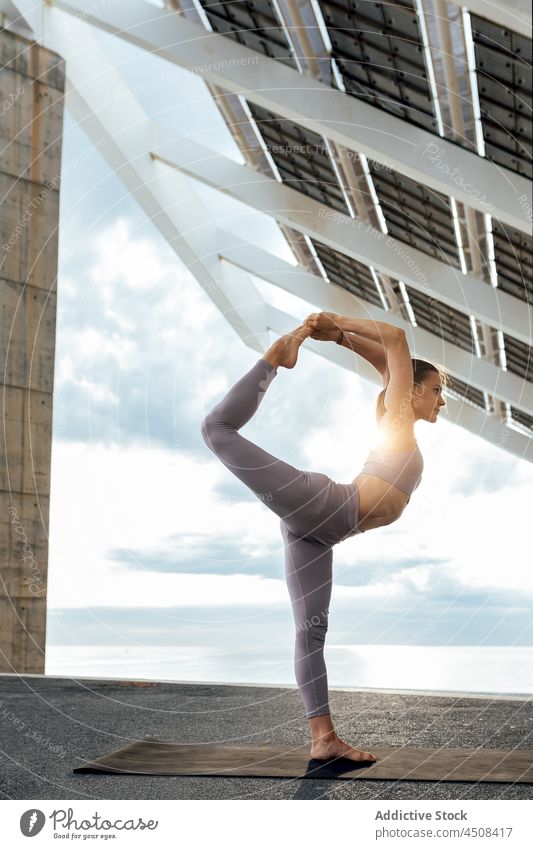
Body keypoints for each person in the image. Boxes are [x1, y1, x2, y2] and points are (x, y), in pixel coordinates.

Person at [200, 311, 450, 763]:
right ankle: (272, 361)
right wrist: (336, 322)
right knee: (216, 430)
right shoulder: (395, 418)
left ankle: (323, 738)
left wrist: (338, 338)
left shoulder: (395, 415)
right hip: (324, 507)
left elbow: (387, 365)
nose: (442, 400)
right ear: (411, 392)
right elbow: (395, 339)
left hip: (318, 534)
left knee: (311, 632)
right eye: (437, 389)